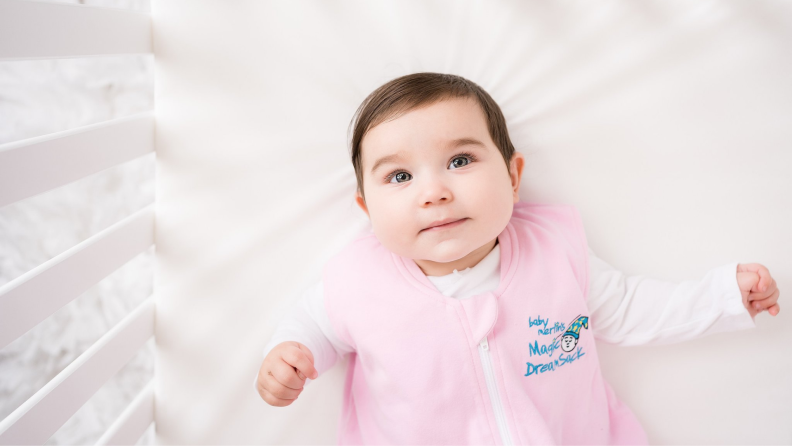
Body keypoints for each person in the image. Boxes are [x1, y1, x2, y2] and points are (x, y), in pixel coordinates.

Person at [254, 72, 781, 444]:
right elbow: (313, 325)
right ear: (367, 208)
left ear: (512, 175)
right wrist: (290, 354)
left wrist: (722, 296)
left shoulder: (554, 252)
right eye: (400, 176)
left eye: (459, 160)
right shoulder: (357, 281)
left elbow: (630, 308)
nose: (433, 192)